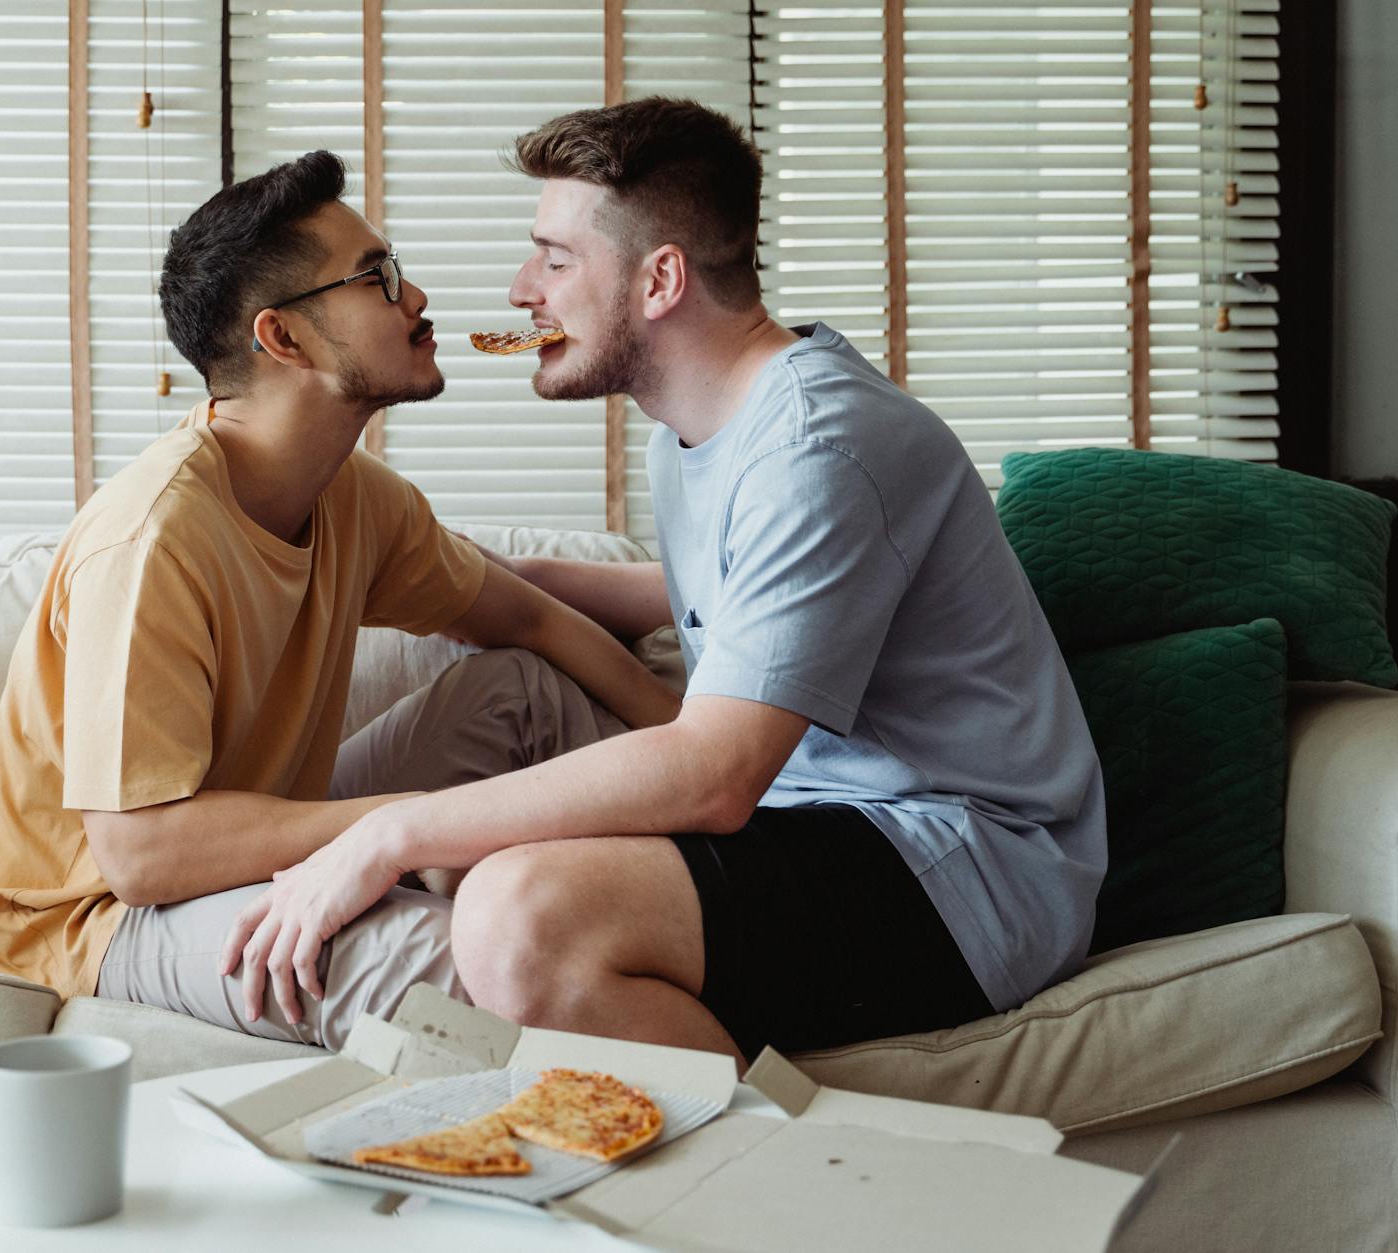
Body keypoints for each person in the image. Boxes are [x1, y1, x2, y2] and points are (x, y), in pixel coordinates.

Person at [220, 99, 1107, 1070]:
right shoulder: (692, 427)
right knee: (474, 800)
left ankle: (770, 1179)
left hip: (962, 861)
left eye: (554, 259)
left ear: (660, 279)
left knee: (517, 917)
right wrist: (474, 578)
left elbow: (714, 774)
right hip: (821, 820)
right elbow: (744, 593)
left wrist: (383, 833)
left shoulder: (820, 444)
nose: (522, 288)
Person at [0, 150, 681, 1050]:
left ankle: (710, 889)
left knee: (517, 689)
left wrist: (703, 749)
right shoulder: (153, 540)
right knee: (465, 962)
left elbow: (525, 615)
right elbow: (144, 857)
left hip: (252, 830)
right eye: (379, 279)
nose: (415, 299)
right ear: (284, 339)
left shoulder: (354, 497)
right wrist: (408, 831)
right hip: (98, 910)